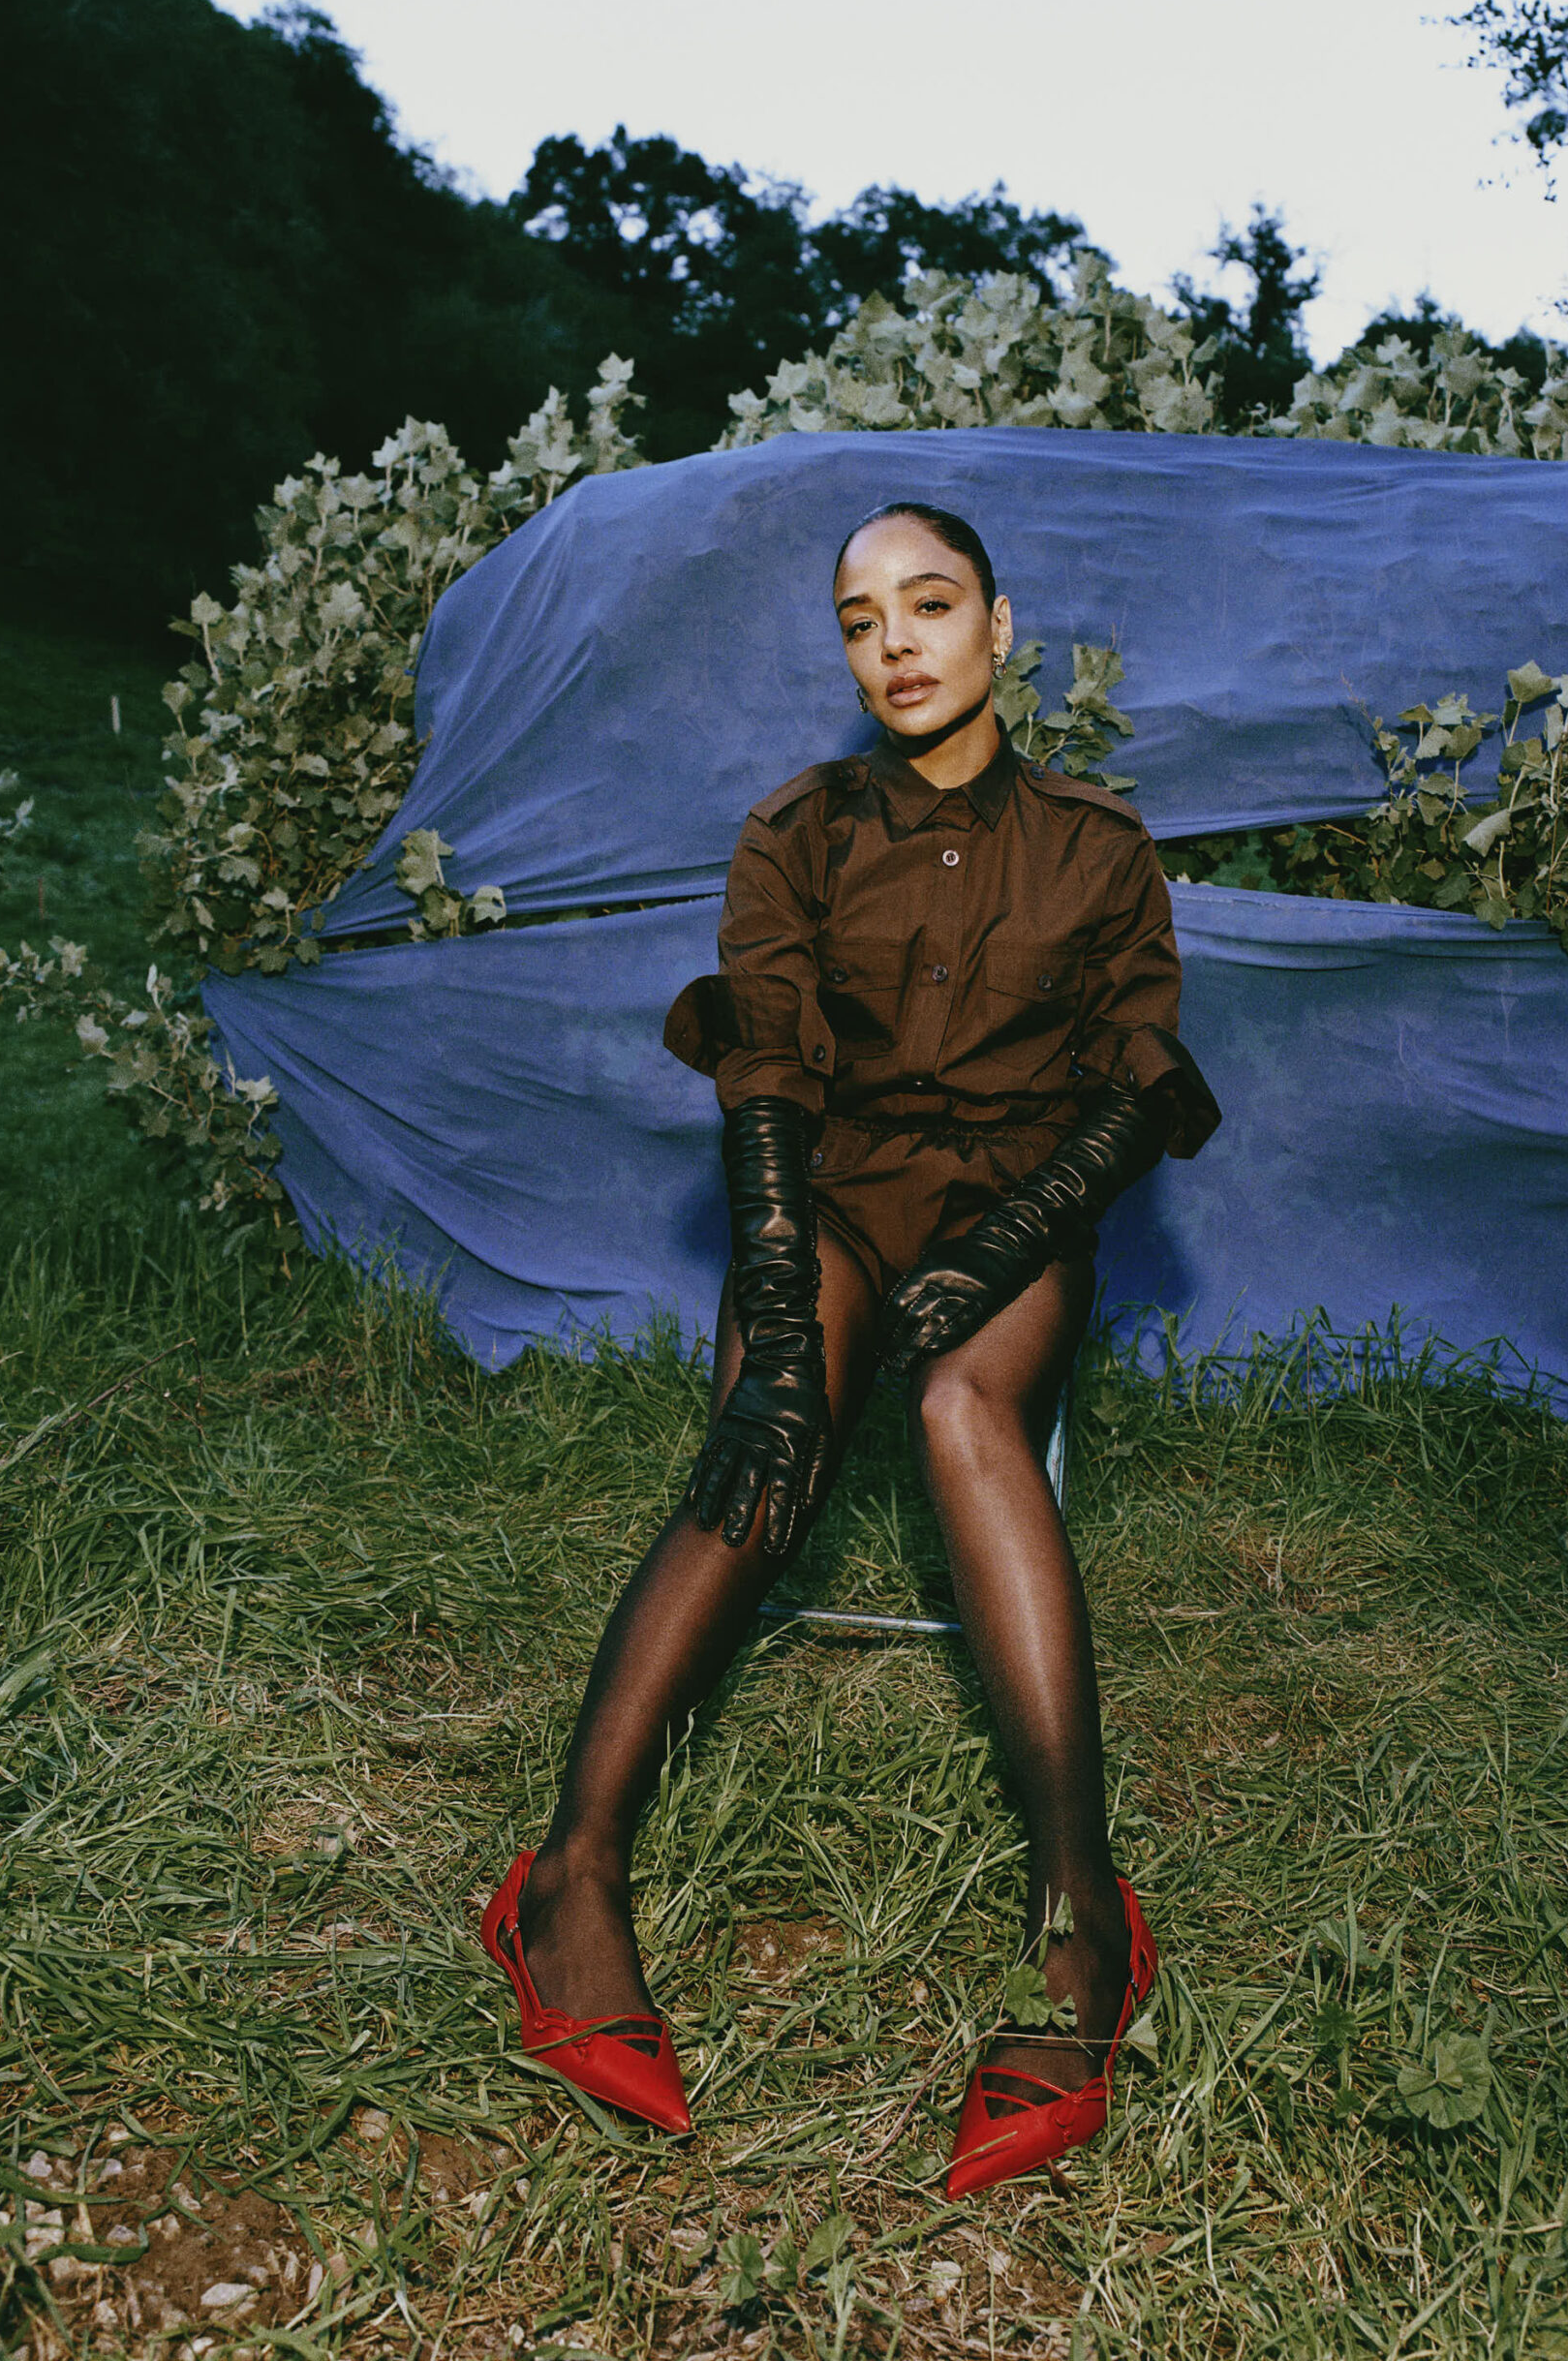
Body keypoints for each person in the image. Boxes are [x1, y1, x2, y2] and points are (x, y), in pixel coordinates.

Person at [482, 500, 1219, 2196]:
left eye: (931, 604)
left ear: (998, 627)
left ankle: (1085, 1915)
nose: (895, 641)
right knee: (767, 1410)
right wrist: (786, 1320)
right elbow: (766, 1074)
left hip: (1014, 1209)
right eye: (860, 617)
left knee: (966, 1410)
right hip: (830, 1198)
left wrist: (1009, 1249)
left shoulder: (1100, 846)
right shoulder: (794, 832)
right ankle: (567, 1877)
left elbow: (1134, 1080)